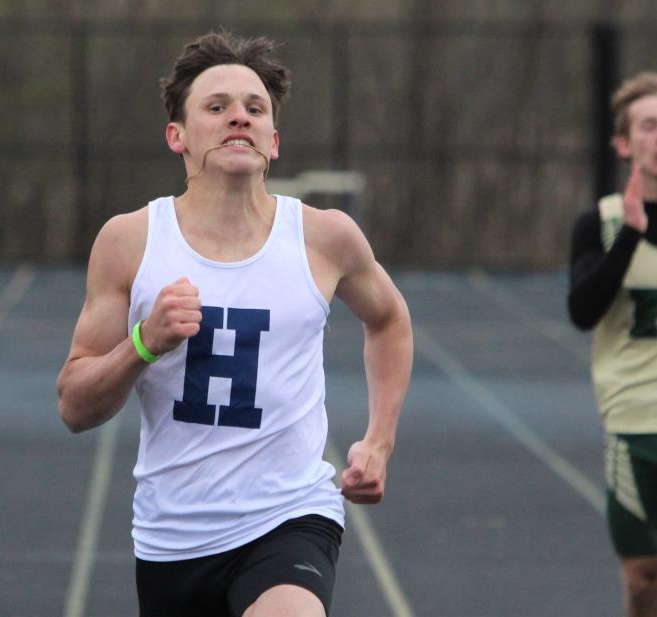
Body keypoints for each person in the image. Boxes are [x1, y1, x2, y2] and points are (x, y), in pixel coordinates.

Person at [56, 31, 413, 617]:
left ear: (275, 141)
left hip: (291, 517)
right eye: (216, 107)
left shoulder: (325, 238)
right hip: (174, 535)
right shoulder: (131, 242)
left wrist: (378, 441)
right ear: (178, 136)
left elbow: (390, 320)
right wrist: (143, 344)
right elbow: (74, 406)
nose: (238, 119)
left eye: (254, 109)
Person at [568, 71, 657, 617]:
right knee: (644, 585)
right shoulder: (599, 224)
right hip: (634, 420)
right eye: (650, 126)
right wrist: (630, 233)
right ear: (626, 143)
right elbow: (583, 311)